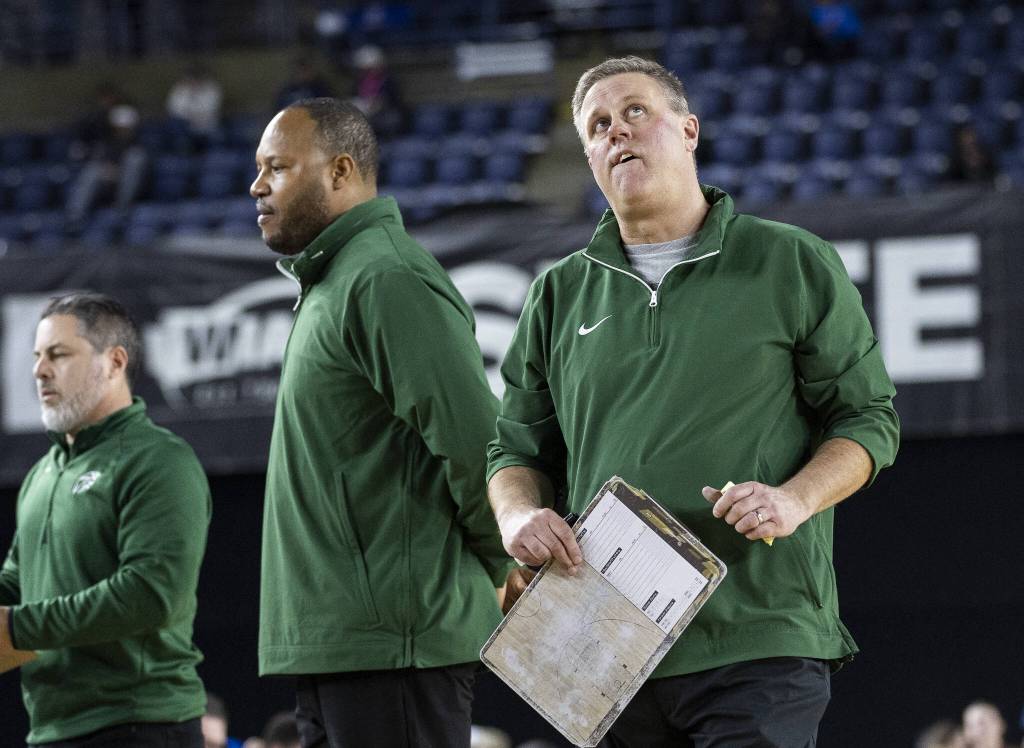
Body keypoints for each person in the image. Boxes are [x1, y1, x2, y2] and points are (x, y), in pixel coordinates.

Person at [486, 56, 900, 747]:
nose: (617, 132)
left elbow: (868, 419)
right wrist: (518, 514)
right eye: (598, 126)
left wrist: (794, 499)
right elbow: (515, 450)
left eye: (635, 112)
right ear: (588, 156)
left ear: (688, 130)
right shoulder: (557, 294)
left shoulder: (789, 261)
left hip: (757, 634)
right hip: (605, 647)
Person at [251, 98, 512, 748]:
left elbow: (480, 445)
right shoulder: (334, 282)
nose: (256, 186)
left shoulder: (385, 278)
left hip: (394, 647)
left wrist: (501, 561)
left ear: (340, 171)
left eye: (276, 167)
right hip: (341, 647)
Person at [0, 292, 211, 746]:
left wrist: (17, 628)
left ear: (114, 362)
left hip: (140, 725)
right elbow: (17, 585)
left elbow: (151, 593)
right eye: (38, 356)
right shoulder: (42, 474)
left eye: (58, 355)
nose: (39, 370)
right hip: (51, 729)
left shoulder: (159, 460)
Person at [66, 84, 149, 226]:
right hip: (108, 169)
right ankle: (74, 219)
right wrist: (107, 165)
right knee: (91, 172)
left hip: (129, 169)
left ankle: (122, 211)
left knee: (135, 159)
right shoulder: (101, 120)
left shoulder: (126, 112)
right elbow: (102, 144)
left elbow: (125, 141)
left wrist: (115, 166)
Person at [167, 62, 224, 150]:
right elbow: (174, 110)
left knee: (217, 139)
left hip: (207, 127)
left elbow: (210, 110)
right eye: (189, 79)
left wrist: (192, 114)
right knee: (176, 130)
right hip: (184, 128)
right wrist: (191, 115)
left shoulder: (212, 89)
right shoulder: (180, 90)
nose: (193, 82)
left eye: (196, 79)